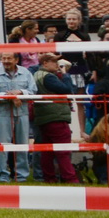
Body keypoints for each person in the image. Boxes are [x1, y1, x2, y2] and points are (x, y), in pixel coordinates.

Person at [0, 52, 36, 183]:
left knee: (22, 145)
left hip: (22, 113)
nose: (5, 61)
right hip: (2, 114)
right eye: (4, 58)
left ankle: (21, 176)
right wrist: (9, 96)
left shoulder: (26, 72)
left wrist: (20, 92)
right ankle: (2, 175)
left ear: (16, 60)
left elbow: (33, 90)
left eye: (9, 58)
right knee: (3, 146)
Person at [31, 55, 78, 185]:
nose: (58, 65)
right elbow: (67, 90)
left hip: (43, 116)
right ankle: (70, 178)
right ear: (45, 63)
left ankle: (49, 178)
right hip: (56, 116)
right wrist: (66, 75)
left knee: (47, 151)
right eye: (55, 62)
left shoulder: (37, 75)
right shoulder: (49, 77)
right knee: (63, 150)